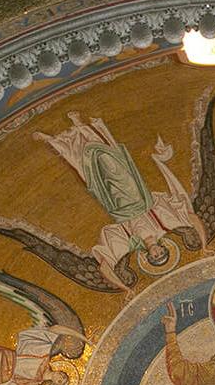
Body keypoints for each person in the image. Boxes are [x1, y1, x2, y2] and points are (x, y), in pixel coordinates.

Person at [39, 112, 201, 287]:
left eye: (155, 258)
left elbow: (104, 267)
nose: (157, 254)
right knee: (111, 160)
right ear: (164, 248)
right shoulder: (164, 227)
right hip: (136, 195)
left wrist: (125, 288)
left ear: (148, 257)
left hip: (116, 206)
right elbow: (192, 218)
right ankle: (80, 125)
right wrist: (204, 246)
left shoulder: (130, 243)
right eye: (161, 254)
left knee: (90, 174)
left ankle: (54, 141)